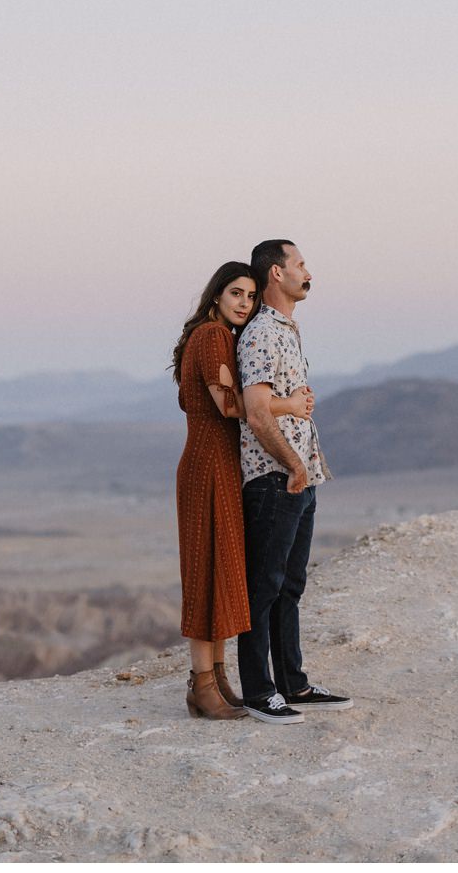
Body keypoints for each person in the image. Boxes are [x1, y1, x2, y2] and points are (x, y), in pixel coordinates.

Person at [171, 260, 314, 720]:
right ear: (216, 295)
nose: (244, 304)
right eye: (235, 294)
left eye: (250, 297)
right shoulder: (212, 336)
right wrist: (289, 404)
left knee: (217, 571)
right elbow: (229, 404)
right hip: (211, 464)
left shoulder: (214, 337)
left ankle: (216, 681)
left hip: (215, 465)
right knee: (206, 573)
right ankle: (202, 685)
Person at [234, 239, 352, 724]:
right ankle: (260, 693)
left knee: (291, 585)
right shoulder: (262, 332)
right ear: (277, 274)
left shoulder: (287, 329)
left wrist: (307, 468)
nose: (309, 272)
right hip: (274, 478)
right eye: (301, 264)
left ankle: (293, 684)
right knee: (264, 586)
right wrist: (293, 465)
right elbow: (258, 413)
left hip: (301, 477)